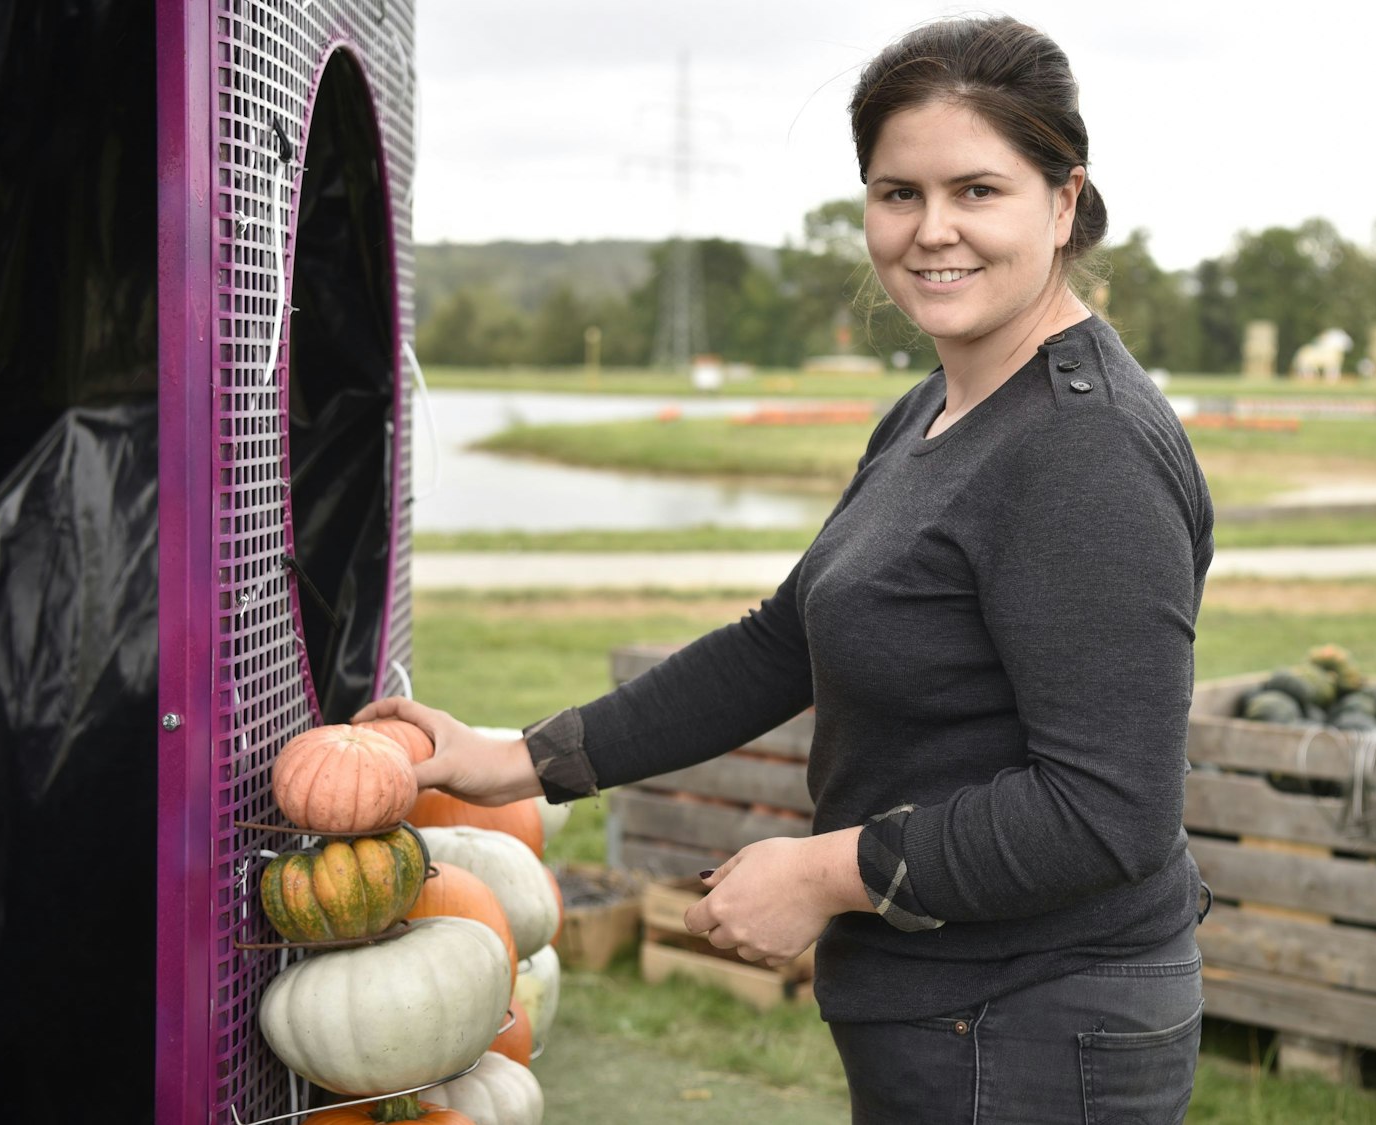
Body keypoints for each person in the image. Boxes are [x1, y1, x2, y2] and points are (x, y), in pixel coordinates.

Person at [357, 15, 1215, 1122]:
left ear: (1061, 201)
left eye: (976, 191)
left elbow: (1105, 814)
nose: (930, 230)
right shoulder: (941, 409)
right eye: (896, 192)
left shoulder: (1081, 452)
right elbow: (786, 638)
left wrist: (824, 873)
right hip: (948, 1010)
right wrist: (520, 759)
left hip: (1034, 1022)